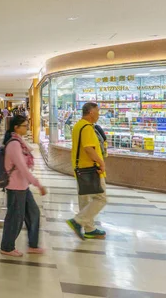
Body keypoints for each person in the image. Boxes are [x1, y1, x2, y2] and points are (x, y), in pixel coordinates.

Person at [0, 115, 47, 257]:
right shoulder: (14, 144)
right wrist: (38, 184)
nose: (27, 128)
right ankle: (7, 247)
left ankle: (33, 245)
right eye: (25, 126)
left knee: (33, 214)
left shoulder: (19, 142)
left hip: (23, 186)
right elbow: (22, 168)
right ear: (16, 127)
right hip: (15, 187)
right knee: (15, 218)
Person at [66, 102, 107, 240]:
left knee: (85, 199)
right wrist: (101, 162)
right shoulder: (87, 128)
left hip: (80, 168)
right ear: (90, 112)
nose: (98, 114)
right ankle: (77, 221)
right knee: (101, 198)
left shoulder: (78, 125)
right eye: (97, 111)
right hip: (91, 169)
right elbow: (89, 148)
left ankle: (89, 229)